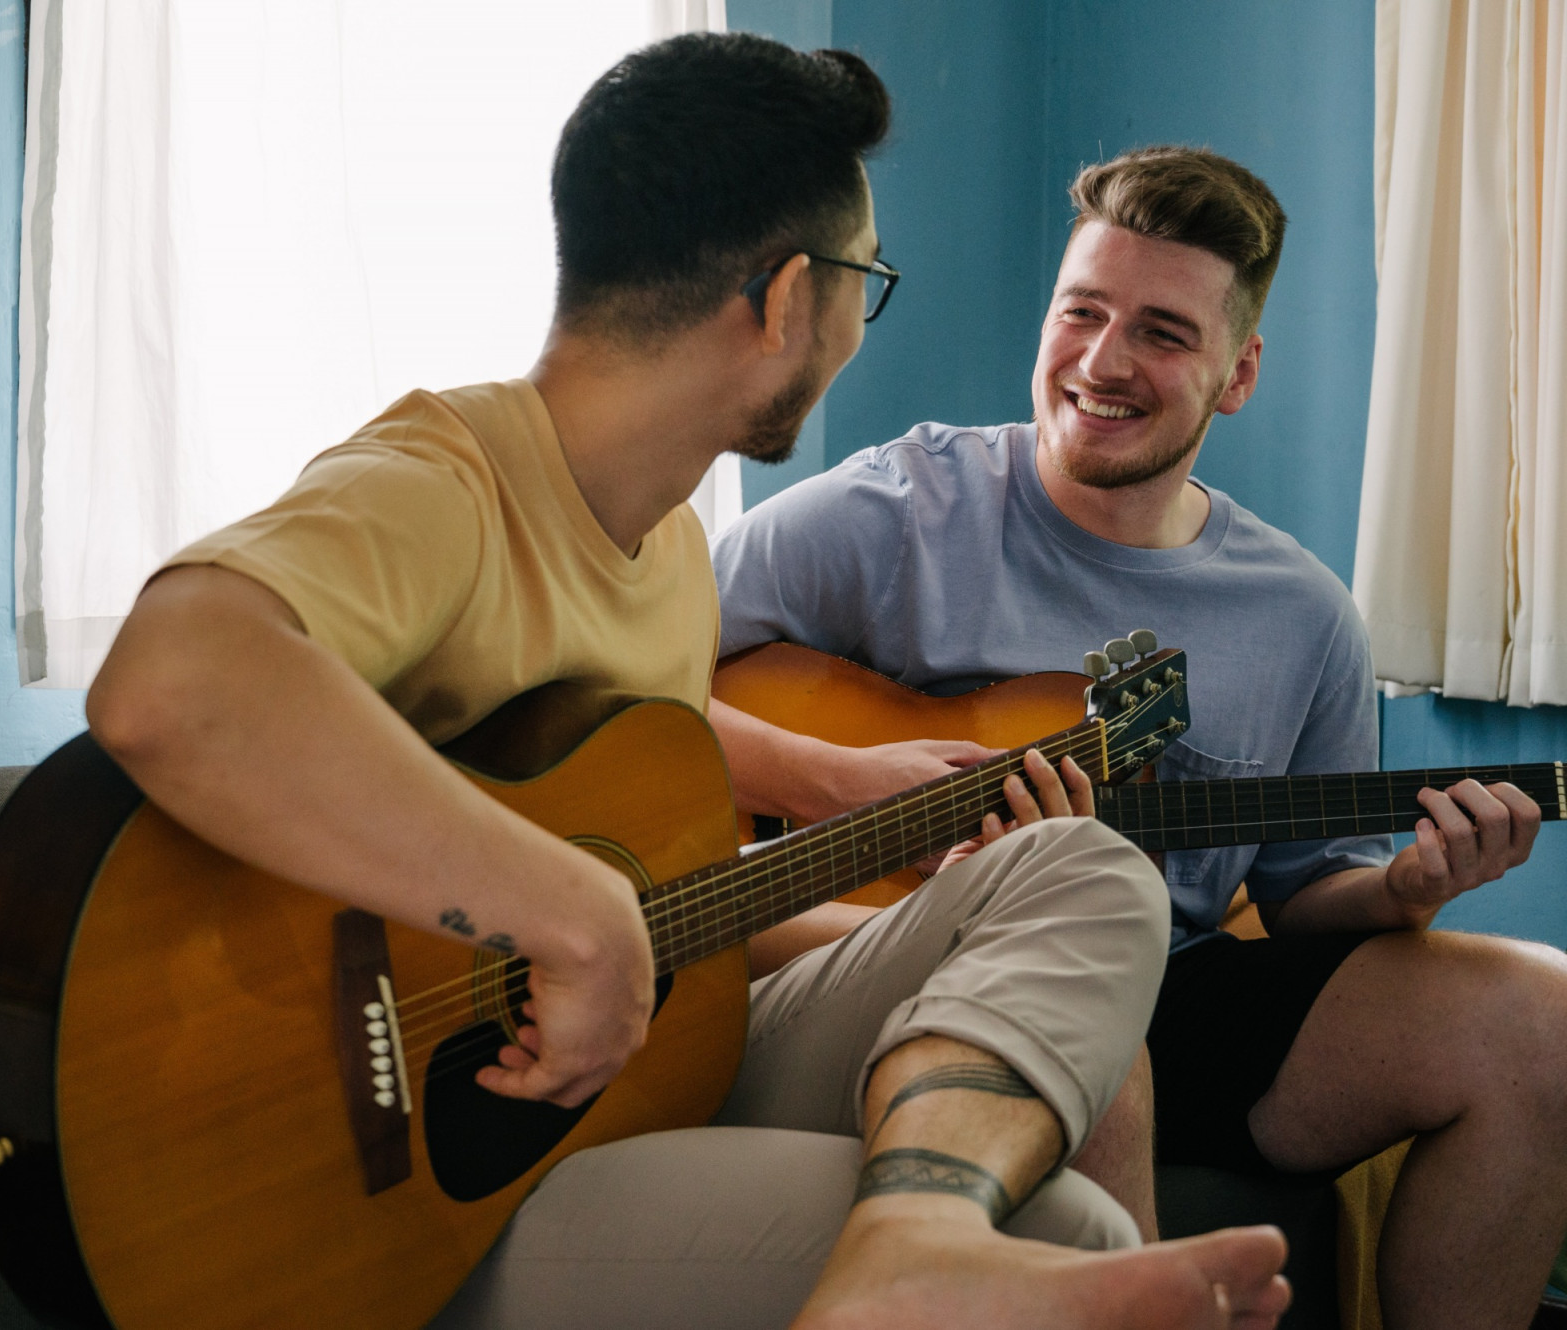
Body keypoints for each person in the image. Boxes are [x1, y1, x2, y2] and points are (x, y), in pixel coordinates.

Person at [88, 39, 1289, 1330]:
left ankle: (916, 1235)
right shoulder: (440, 484)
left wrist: (932, 910)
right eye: (864, 283)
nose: (851, 328)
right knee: (1075, 1218)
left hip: (654, 1061)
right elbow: (172, 681)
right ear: (789, 298)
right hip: (421, 1181)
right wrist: (575, 913)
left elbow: (665, 899)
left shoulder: (666, 546)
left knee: (1083, 886)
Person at [711, 143, 1567, 1329]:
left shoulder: (1304, 614)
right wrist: (840, 777)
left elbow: (1306, 890)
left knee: (1544, 1017)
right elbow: (624, 680)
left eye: (1162, 332)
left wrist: (1405, 892)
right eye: (1082, 312)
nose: (1101, 363)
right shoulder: (892, 510)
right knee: (1091, 963)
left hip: (1177, 983)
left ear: (1236, 373)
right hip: (895, 963)